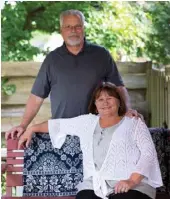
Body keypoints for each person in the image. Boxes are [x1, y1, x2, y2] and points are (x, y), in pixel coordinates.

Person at [6, 10, 141, 195]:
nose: (73, 31)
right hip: (64, 131)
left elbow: (118, 87)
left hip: (96, 133)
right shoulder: (52, 60)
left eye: (77, 26)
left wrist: (127, 110)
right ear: (61, 31)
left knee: (97, 185)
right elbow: (37, 96)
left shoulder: (101, 55)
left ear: (83, 29)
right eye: (68, 27)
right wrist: (23, 125)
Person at [18, 82, 162, 199]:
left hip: (133, 184)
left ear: (119, 102)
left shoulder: (134, 122)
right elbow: (58, 124)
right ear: (95, 105)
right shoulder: (86, 122)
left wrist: (132, 180)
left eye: (110, 98)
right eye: (100, 99)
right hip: (95, 185)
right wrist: (31, 128)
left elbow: (148, 154)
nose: (105, 102)